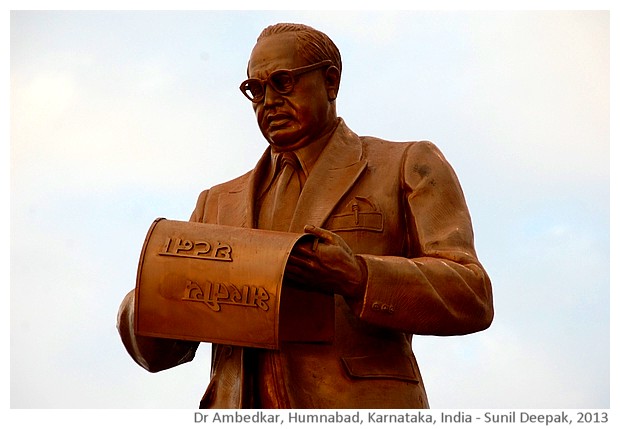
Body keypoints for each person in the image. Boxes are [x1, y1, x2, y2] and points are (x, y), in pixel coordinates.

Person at [117, 22, 493, 409]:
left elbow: (471, 294)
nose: (268, 101)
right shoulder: (216, 204)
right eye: (256, 90)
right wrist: (151, 298)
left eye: (283, 82)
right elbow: (158, 352)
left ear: (331, 82)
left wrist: (360, 277)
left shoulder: (404, 165)